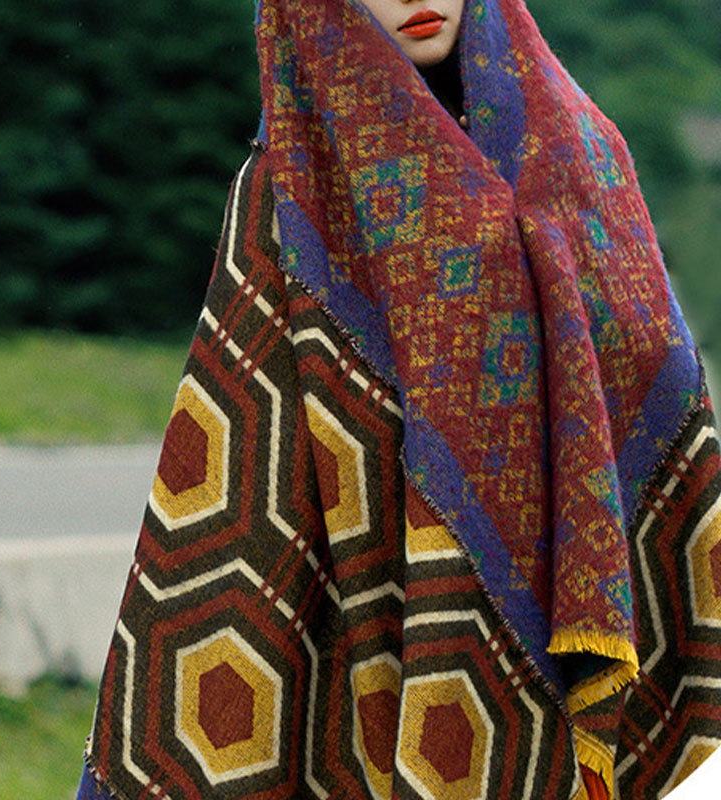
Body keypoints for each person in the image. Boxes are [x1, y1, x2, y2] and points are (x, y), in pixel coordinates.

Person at [76, 1, 721, 799]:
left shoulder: (589, 156)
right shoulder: (295, 195)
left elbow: (664, 390)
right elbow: (246, 459)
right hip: (371, 633)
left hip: (611, 638)